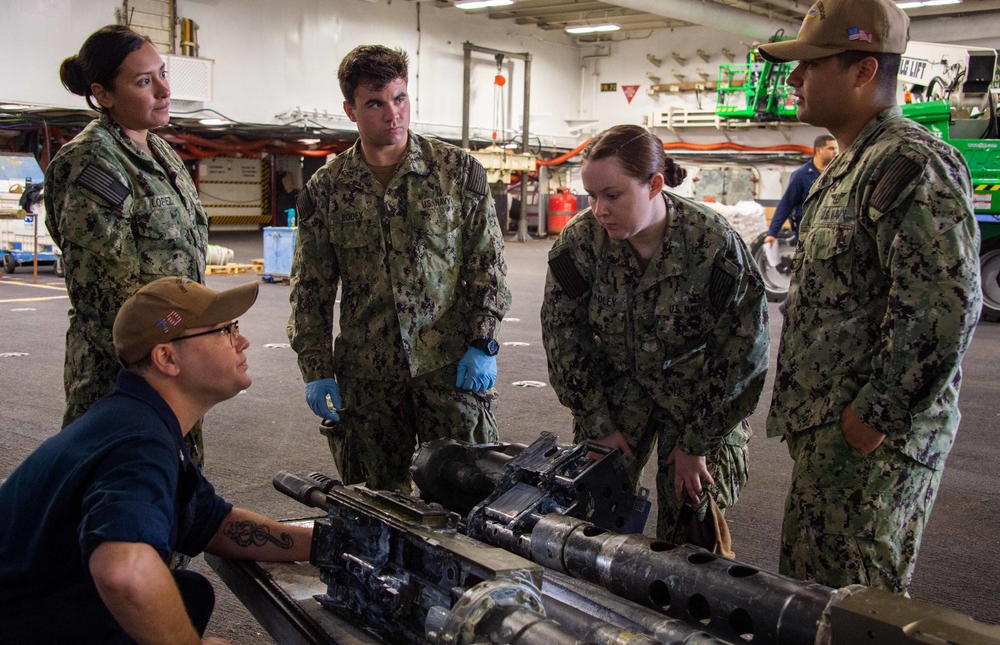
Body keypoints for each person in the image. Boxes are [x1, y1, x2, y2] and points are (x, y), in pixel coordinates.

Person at [757, 0, 982, 594]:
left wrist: (873, 415)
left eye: (811, 63)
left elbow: (945, 307)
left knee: (855, 607)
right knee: (815, 598)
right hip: (835, 436)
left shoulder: (908, 162)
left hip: (869, 445)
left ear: (862, 71)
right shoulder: (854, 164)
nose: (795, 78)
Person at [0, 277, 314, 643]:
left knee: (190, 593)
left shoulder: (136, 420)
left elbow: (215, 524)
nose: (242, 341)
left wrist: (326, 544)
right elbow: (125, 572)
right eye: (225, 330)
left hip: (40, 609)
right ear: (166, 358)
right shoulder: (138, 446)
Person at [287, 45, 511, 492]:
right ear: (350, 109)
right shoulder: (327, 189)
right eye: (375, 103)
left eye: (400, 98)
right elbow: (310, 289)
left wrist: (483, 341)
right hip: (368, 378)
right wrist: (316, 369)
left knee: (469, 498)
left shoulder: (456, 172)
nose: (393, 113)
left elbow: (487, 264)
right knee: (375, 504)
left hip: (449, 369)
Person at [540, 125, 769, 542]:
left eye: (612, 195)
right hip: (614, 392)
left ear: (654, 185)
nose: (599, 210)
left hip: (697, 396)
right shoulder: (580, 242)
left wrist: (696, 443)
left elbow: (742, 352)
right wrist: (596, 424)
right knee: (594, 514)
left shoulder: (713, 244)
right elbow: (563, 337)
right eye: (590, 196)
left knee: (692, 520)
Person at [44, 25, 209, 466]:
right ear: (103, 94)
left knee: (176, 498)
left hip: (173, 365)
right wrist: (161, 360)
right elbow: (102, 298)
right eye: (143, 81)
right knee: (121, 502)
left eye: (162, 73)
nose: (164, 90)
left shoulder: (161, 152)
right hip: (124, 378)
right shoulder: (91, 162)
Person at [764, 134, 838, 246]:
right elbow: (786, 204)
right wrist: (772, 233)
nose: (835, 152)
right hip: (808, 233)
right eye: (831, 148)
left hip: (832, 231)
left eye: (836, 148)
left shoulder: (837, 172)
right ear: (818, 150)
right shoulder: (802, 175)